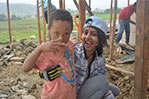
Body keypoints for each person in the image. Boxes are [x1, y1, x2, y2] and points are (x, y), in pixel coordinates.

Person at [22, 9, 76, 99]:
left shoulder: (71, 45)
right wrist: (39, 49)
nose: (61, 38)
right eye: (56, 33)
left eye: (66, 34)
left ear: (71, 30)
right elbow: (25, 68)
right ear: (49, 28)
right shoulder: (45, 51)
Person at [74, 16, 119, 99]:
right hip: (72, 93)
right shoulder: (73, 52)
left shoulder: (99, 61)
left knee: (116, 91)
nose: (87, 37)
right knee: (103, 82)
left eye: (93, 34)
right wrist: (43, 74)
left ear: (100, 40)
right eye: (85, 32)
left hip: (84, 89)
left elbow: (100, 84)